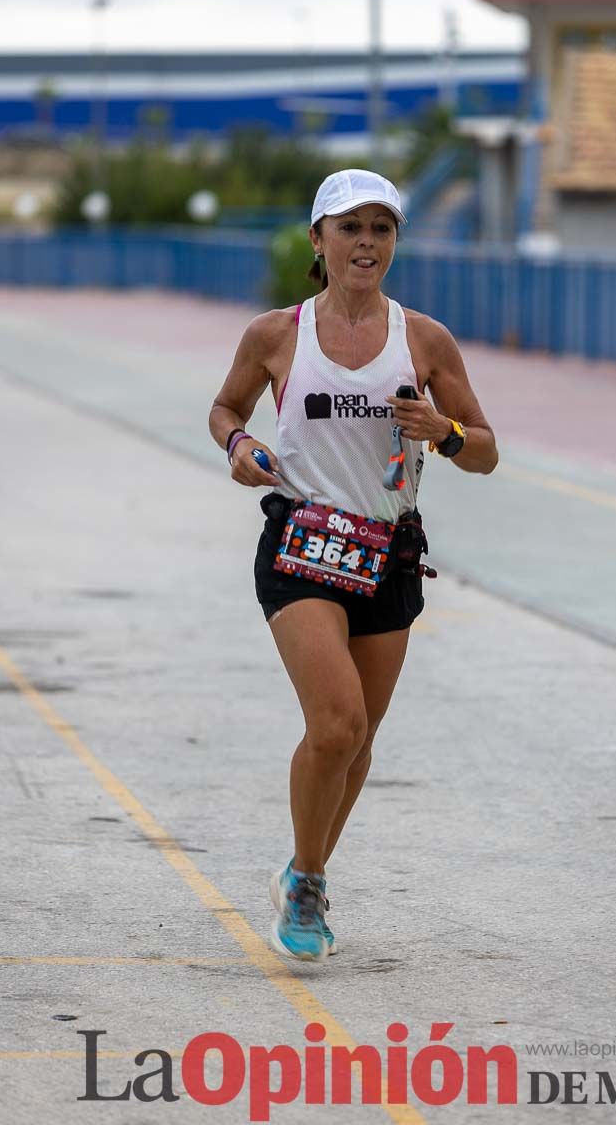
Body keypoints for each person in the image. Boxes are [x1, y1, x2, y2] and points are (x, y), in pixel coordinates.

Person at [208, 169, 498, 962]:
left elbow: (487, 452)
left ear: (395, 241)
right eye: (349, 228)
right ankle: (306, 885)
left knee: (360, 738)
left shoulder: (424, 339)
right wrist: (239, 446)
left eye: (381, 228)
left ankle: (306, 869)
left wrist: (442, 432)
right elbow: (225, 408)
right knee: (335, 723)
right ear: (318, 240)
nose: (366, 243)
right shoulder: (276, 335)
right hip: (302, 543)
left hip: (387, 552)